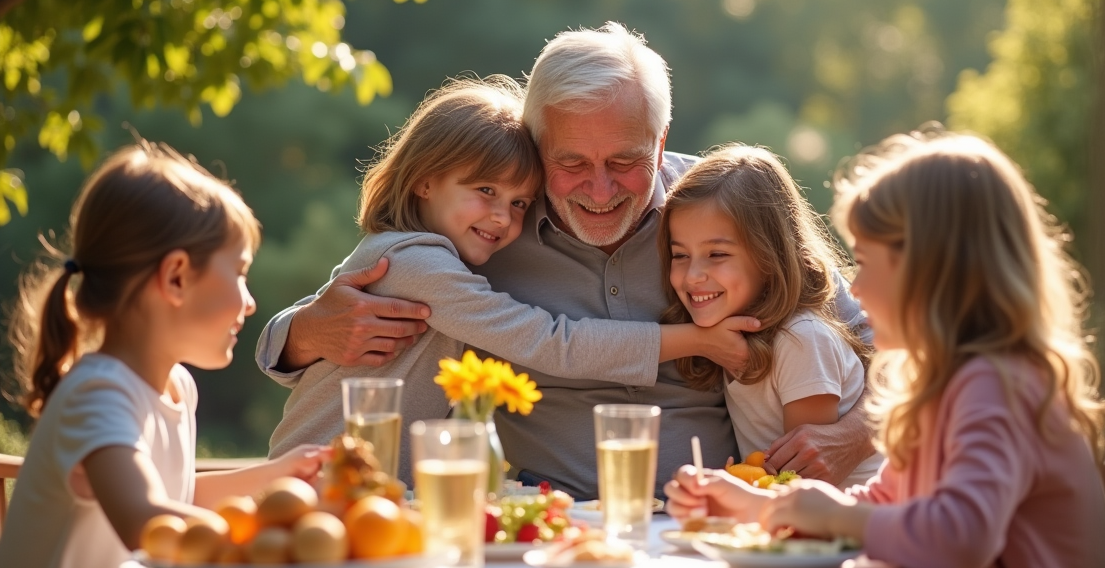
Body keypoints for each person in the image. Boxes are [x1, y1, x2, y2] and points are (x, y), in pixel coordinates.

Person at [258, 22, 875, 499]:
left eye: (626, 162)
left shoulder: (722, 209)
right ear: (536, 144)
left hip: (718, 515)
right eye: (572, 163)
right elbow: (305, 333)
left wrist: (855, 434)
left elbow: (880, 338)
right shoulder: (487, 229)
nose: (600, 190)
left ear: (660, 141)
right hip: (554, 523)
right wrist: (307, 331)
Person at [664, 129, 1105, 568]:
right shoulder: (942, 385)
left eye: (869, 263)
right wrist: (756, 505)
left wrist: (831, 512)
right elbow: (886, 501)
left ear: (935, 271)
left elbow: (961, 534)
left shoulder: (998, 384)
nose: (853, 287)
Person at [267, 75, 756, 484]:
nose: (503, 219)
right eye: (485, 191)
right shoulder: (416, 263)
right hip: (320, 477)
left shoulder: (708, 196)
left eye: (519, 203)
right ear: (424, 179)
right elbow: (548, 342)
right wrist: (698, 339)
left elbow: (823, 301)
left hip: (379, 485)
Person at [0, 143, 328, 568]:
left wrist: (278, 473)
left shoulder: (176, 384)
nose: (250, 300)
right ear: (176, 276)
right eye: (239, 273)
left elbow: (175, 496)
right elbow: (146, 520)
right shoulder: (98, 393)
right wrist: (287, 541)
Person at [659, 145, 883, 488]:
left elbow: (804, 481)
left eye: (716, 254)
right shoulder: (731, 333)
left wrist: (726, 489)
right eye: (680, 255)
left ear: (769, 255)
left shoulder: (801, 340)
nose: (692, 276)